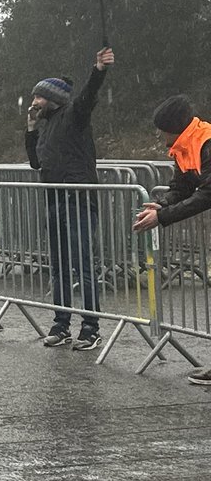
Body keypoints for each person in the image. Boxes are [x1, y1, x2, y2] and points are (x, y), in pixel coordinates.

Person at [27, 48, 115, 351]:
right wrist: (30, 129)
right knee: (60, 267)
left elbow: (88, 96)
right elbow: (35, 164)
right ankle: (61, 325)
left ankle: (91, 327)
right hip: (54, 201)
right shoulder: (46, 124)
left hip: (78, 199)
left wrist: (98, 70)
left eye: (38, 97)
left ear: (52, 98)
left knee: (83, 265)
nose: (34, 101)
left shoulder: (74, 114)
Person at [131, 96, 211, 385]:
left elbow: (207, 193)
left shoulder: (206, 143)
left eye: (162, 130)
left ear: (175, 128)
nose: (160, 137)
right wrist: (161, 206)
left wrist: (163, 218)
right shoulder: (184, 147)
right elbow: (182, 187)